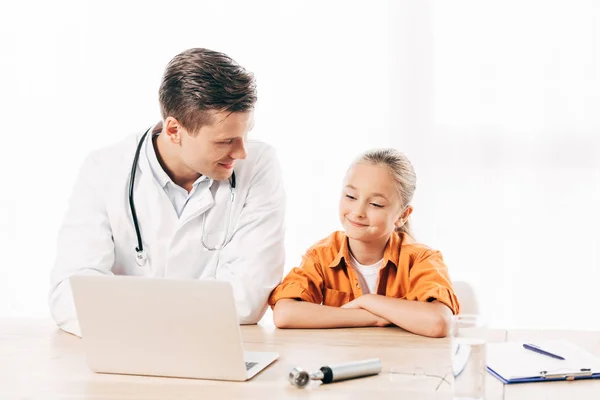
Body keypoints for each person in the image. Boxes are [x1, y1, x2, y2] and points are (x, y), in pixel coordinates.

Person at [49, 48, 285, 337]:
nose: (242, 151)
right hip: (124, 354)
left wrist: (127, 310)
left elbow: (247, 299)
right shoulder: (104, 169)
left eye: (246, 133)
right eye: (225, 141)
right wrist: (193, 311)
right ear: (174, 130)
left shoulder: (259, 165)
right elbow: (70, 295)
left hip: (213, 350)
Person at [268, 149, 459, 338]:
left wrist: (369, 301)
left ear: (402, 215)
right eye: (350, 197)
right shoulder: (322, 255)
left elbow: (438, 323)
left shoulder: (422, 259)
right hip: (344, 362)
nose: (358, 211)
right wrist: (371, 317)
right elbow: (284, 314)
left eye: (375, 204)